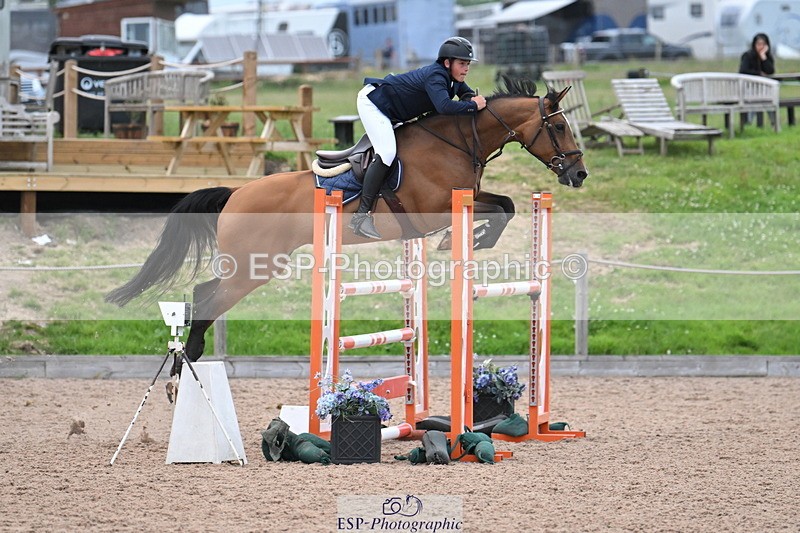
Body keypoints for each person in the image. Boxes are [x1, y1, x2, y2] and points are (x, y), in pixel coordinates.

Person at [349, 36, 487, 239]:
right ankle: (360, 217)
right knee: (387, 152)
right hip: (374, 104)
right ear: (447, 63)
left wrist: (473, 101)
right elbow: (445, 107)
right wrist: (474, 105)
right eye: (462, 64)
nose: (466, 69)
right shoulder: (436, 76)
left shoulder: (454, 79)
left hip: (395, 110)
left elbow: (465, 96)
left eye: (467, 64)